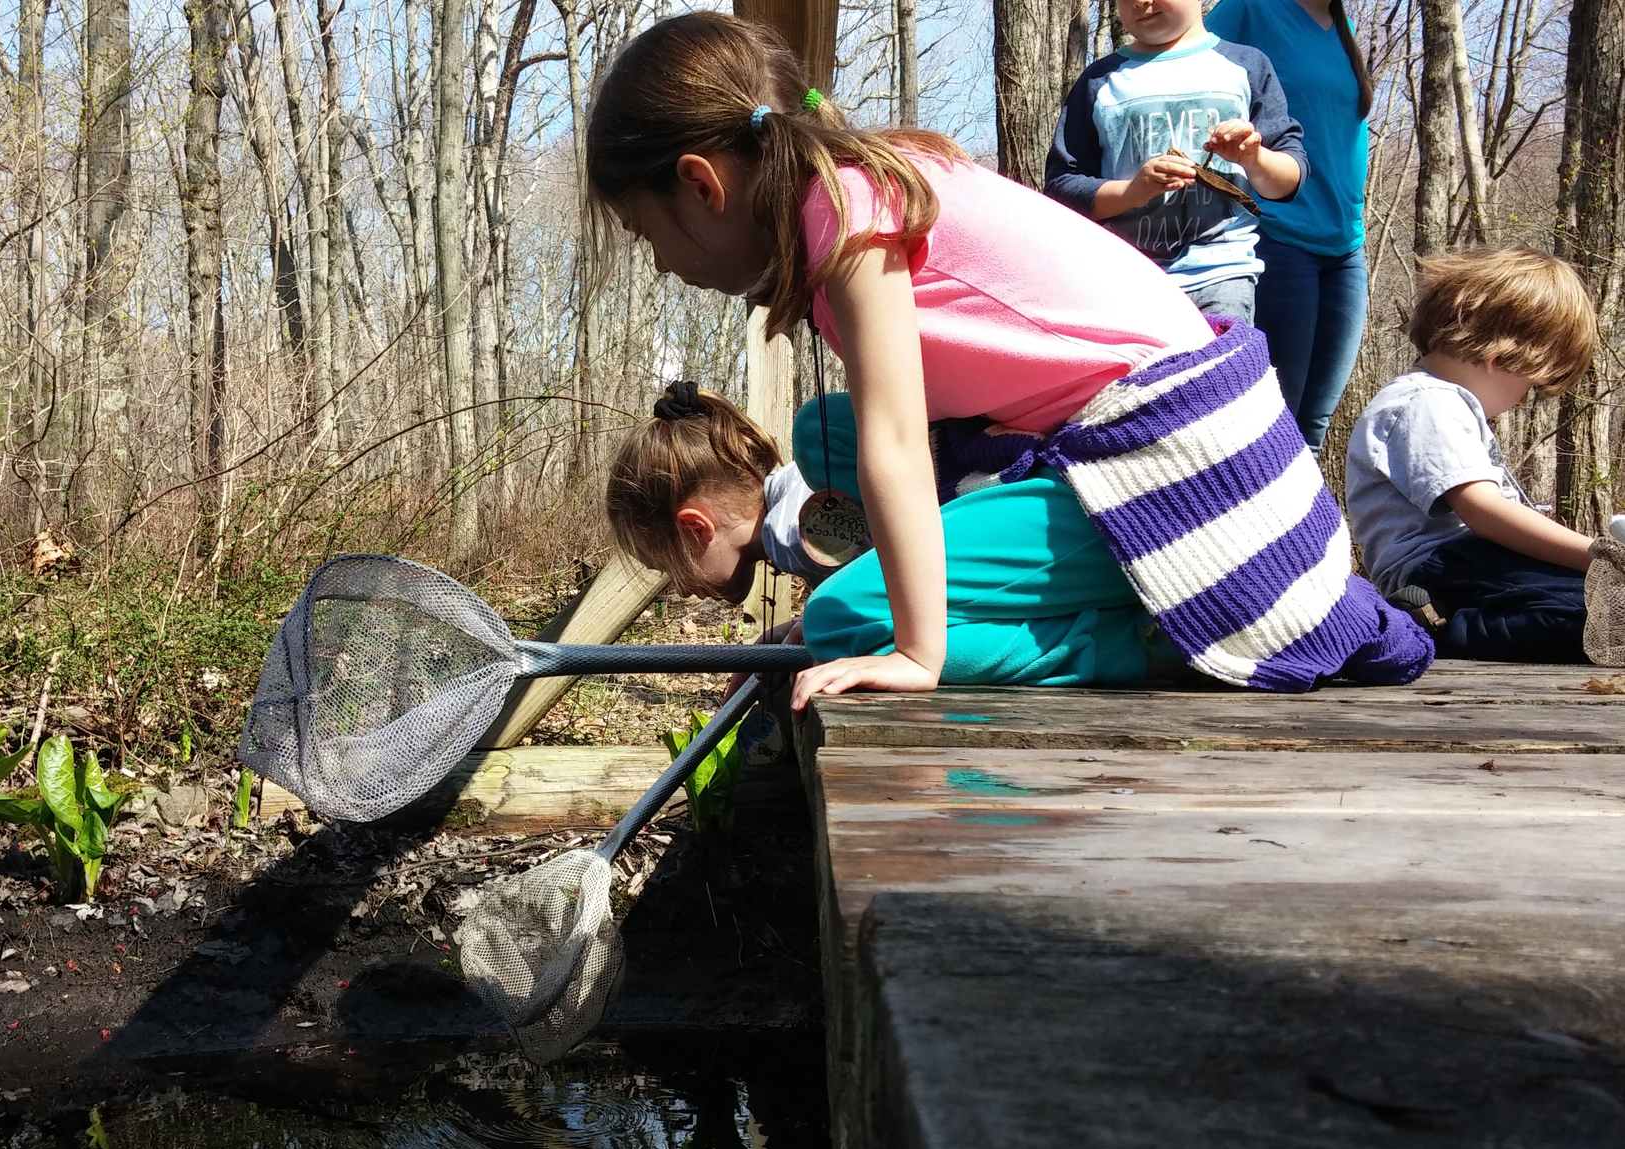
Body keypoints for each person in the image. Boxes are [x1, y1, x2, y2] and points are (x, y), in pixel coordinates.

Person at [588, 12, 1431, 704]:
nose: (659, 259)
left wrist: (917, 651)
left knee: (848, 616)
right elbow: (886, 432)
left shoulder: (843, 211)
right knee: (821, 435)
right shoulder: (853, 185)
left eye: (645, 232)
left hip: (1182, 468)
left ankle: (1146, 634)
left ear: (703, 184)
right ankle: (976, 584)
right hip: (1115, 435)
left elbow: (897, 444)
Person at [608, 384, 1162, 688]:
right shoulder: (807, 490)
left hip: (1093, 528)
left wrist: (818, 630)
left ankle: (1119, 647)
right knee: (829, 621)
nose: (680, 590)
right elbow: (887, 568)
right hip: (1058, 531)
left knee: (835, 622)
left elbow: (862, 596)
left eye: (670, 567)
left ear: (696, 527)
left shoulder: (801, 510)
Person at [1344, 247, 1603, 663]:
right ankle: (1430, 628)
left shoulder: (1438, 400)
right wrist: (1598, 555)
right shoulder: (1425, 400)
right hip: (1440, 567)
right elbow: (1481, 510)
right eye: (1531, 385)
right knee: (1594, 616)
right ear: (1498, 358)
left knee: (1601, 602)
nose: (1522, 402)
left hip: (1469, 563)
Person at [1045, 0, 1307, 321]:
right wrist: (1132, 192)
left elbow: (1288, 181)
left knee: (1219, 372)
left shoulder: (1246, 66)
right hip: (1126, 282)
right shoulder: (1100, 81)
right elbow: (1062, 189)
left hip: (1223, 272)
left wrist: (1254, 158)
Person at [1206, 0, 1373, 451]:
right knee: (1273, 420)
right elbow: (1191, 73)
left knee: (1313, 427)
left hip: (1345, 246)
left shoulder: (1344, 27)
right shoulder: (1249, 9)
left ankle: (1301, 522)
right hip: (1278, 235)